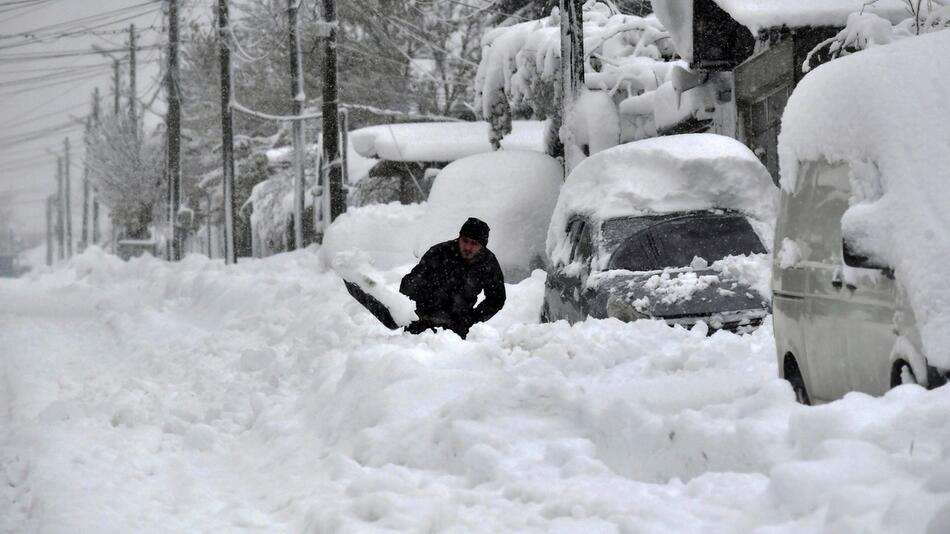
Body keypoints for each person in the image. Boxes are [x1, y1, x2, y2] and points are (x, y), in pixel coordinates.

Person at [400, 217, 506, 338]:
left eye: (474, 243)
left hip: (456, 329)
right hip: (422, 322)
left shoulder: (488, 263)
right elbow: (407, 286)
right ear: (459, 237)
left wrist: (472, 318)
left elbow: (497, 299)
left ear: (482, 246)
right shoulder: (439, 252)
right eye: (465, 241)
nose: (468, 247)